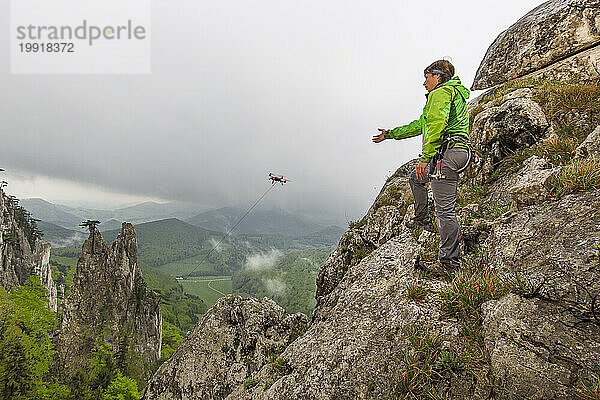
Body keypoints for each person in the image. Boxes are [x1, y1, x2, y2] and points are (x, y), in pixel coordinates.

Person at [372, 60, 470, 274]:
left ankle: (449, 262)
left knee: (445, 210)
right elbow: (420, 125)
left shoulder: (441, 93)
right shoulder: (453, 95)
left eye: (427, 76)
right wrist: (390, 134)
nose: (424, 81)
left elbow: (436, 125)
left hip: (446, 155)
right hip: (456, 152)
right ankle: (422, 219)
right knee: (416, 179)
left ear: (438, 76)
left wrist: (426, 157)